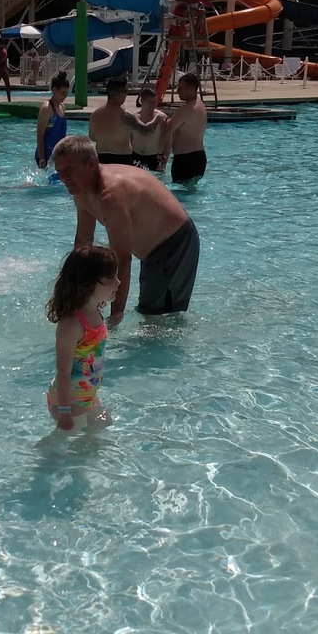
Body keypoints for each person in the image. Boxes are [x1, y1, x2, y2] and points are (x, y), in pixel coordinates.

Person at [52, 134, 200, 323]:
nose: (64, 178)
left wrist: (115, 317)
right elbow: (83, 242)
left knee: (158, 320)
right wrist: (73, 296)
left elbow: (122, 259)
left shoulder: (110, 195)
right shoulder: (82, 189)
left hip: (175, 245)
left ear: (90, 163)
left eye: (69, 170)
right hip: (152, 252)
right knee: (151, 314)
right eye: (60, 171)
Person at [45, 244, 119, 431]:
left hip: (88, 396)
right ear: (88, 283)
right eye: (110, 277)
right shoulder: (71, 325)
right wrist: (64, 413)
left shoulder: (96, 312)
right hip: (69, 400)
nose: (118, 282)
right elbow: (63, 372)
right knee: (64, 440)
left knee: (102, 428)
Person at [161, 72, 208, 183]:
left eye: (181, 88)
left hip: (185, 160)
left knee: (180, 196)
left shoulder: (185, 110)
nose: (177, 91)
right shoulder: (200, 105)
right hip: (199, 157)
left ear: (191, 88)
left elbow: (167, 134)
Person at [88, 76, 135, 164]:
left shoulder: (95, 115)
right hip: (123, 160)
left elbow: (92, 138)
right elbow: (138, 138)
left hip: (102, 159)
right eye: (126, 91)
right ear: (120, 93)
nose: (127, 95)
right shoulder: (126, 115)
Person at [35, 71, 69, 171]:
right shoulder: (47, 108)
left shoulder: (62, 107)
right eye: (62, 93)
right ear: (54, 90)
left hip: (58, 155)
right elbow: (40, 136)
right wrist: (42, 158)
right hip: (46, 155)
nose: (65, 96)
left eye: (66, 93)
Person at [131, 85, 168, 171]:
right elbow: (128, 140)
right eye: (151, 102)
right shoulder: (134, 118)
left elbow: (168, 140)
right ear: (142, 101)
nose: (154, 105)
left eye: (155, 102)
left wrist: (164, 162)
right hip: (136, 156)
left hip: (154, 158)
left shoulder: (162, 118)